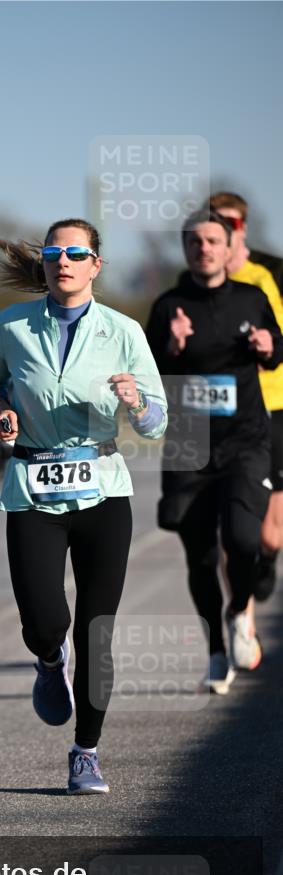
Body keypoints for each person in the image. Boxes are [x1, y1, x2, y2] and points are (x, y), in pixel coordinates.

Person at [0, 218, 167, 794]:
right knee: (45, 621)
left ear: (95, 266)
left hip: (103, 491)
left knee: (97, 630)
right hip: (32, 487)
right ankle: (45, 658)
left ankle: (86, 752)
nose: (63, 261)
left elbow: (157, 424)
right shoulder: (10, 326)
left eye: (76, 253)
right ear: (46, 263)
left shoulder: (124, 330)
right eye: (55, 252)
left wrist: (136, 403)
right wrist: (2, 411)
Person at [146, 210, 282, 693]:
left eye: (211, 240)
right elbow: (151, 374)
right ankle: (215, 654)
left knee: (245, 540)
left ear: (228, 249)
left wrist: (268, 347)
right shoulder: (168, 306)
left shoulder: (252, 297)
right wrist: (174, 346)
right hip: (189, 441)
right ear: (185, 249)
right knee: (200, 557)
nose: (203, 248)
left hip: (245, 439)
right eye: (193, 241)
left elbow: (276, 348)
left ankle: (238, 610)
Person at [208, 193, 283, 603]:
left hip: (274, 404)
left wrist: (266, 345)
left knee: (271, 533)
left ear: (243, 229)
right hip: (223, 413)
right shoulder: (196, 283)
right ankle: (240, 616)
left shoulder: (267, 276)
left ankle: (268, 559)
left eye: (231, 224)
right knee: (230, 525)